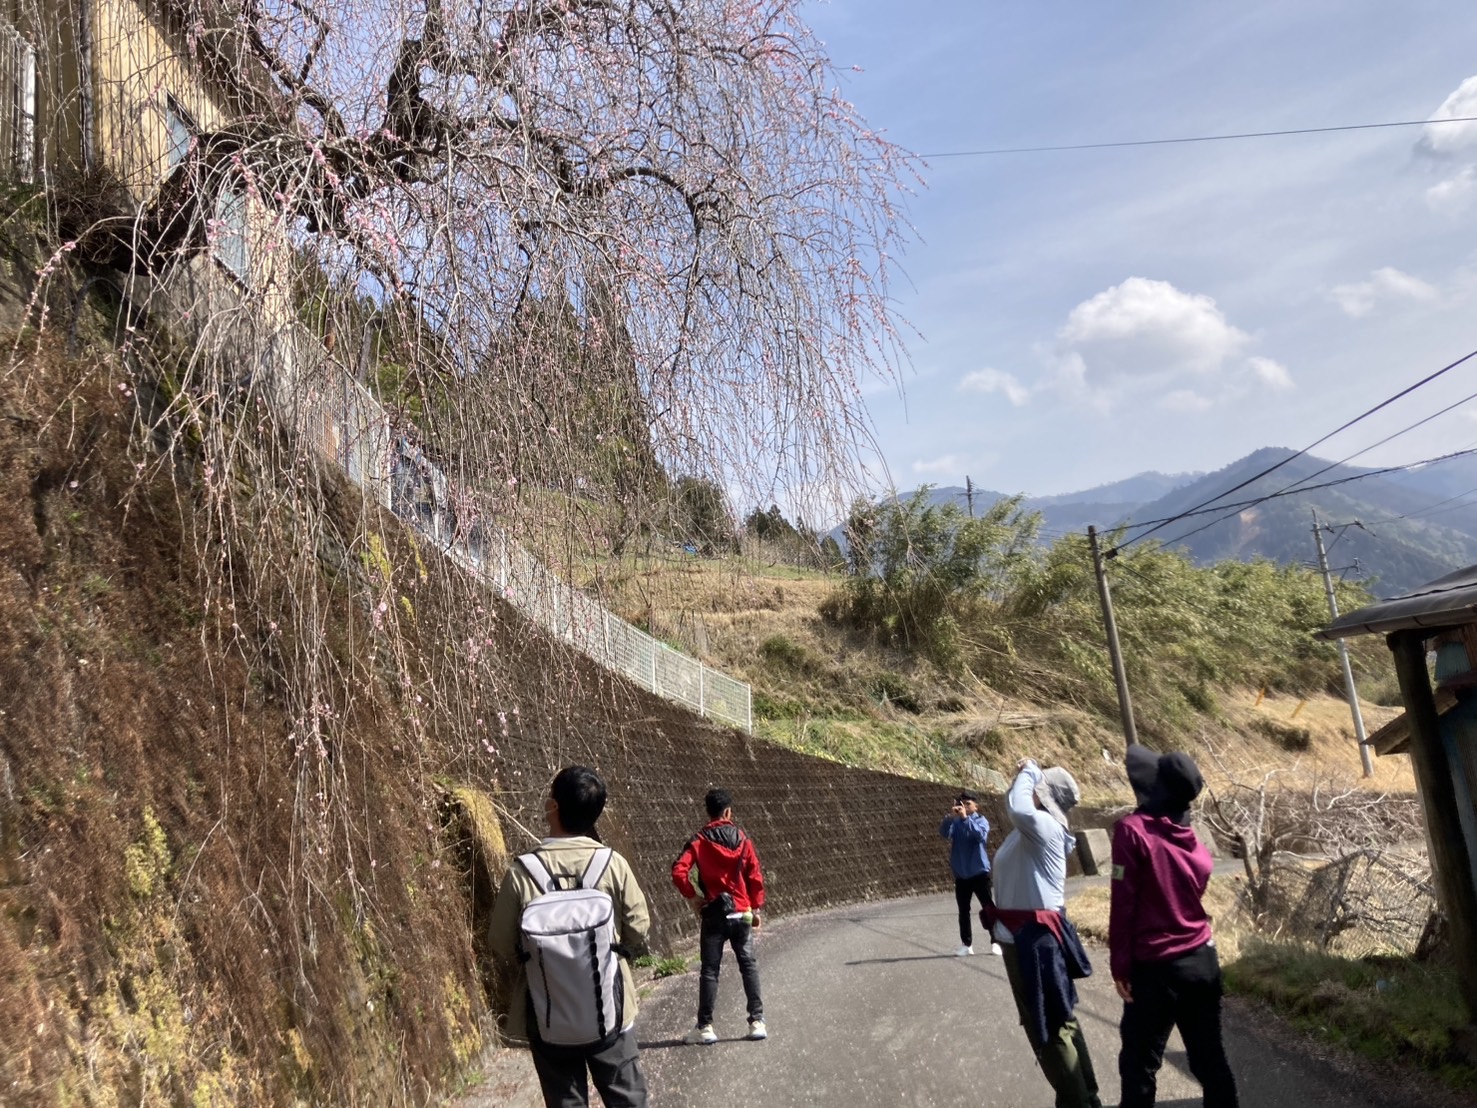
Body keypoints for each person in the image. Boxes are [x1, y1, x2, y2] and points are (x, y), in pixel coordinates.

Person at [488, 766, 651, 1108]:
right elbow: (639, 928)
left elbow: (500, 942)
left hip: (547, 1013)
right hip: (611, 1008)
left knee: (566, 1101)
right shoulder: (612, 864)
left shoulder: (522, 872)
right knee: (627, 1099)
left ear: (553, 807)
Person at [1111, 746, 1239, 1108]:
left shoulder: (1132, 831)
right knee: (1210, 1059)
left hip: (1155, 968)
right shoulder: (1193, 841)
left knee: (1139, 1065)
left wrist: (1120, 966)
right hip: (1201, 960)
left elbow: (1123, 905)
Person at [984, 759, 1102, 1108]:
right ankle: (1086, 1097)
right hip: (1025, 939)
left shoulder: (1045, 827)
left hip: (1033, 942)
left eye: (1036, 787)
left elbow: (1019, 806)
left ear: (1044, 795)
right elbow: (1014, 802)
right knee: (1059, 1022)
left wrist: (1032, 771)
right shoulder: (1031, 831)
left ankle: (1078, 1102)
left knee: (1048, 1028)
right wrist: (1025, 777)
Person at [671, 787, 767, 1044]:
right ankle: (756, 1021)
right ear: (728, 812)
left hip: (714, 914)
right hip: (742, 912)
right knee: (748, 965)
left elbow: (679, 871)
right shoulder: (743, 839)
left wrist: (693, 896)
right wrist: (756, 907)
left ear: (708, 811)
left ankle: (705, 1027)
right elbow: (755, 876)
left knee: (710, 970)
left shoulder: (699, 840)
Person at [939, 788, 1002, 956]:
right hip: (961, 874)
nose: (964, 807)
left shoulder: (981, 821)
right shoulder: (955, 822)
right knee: (963, 910)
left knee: (988, 907)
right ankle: (966, 944)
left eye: (968, 804)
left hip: (980, 872)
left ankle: (996, 941)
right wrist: (950, 817)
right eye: (962, 804)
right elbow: (944, 833)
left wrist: (965, 819)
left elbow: (979, 836)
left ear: (976, 806)